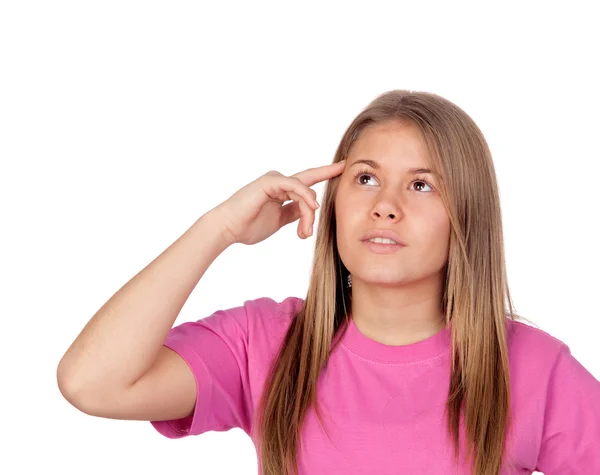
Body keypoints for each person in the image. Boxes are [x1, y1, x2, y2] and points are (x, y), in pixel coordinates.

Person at [56, 90, 600, 475]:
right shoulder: (265, 343)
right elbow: (92, 382)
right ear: (335, 201)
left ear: (468, 213)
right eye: (366, 178)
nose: (386, 206)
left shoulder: (532, 368)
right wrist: (217, 228)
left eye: (421, 185)